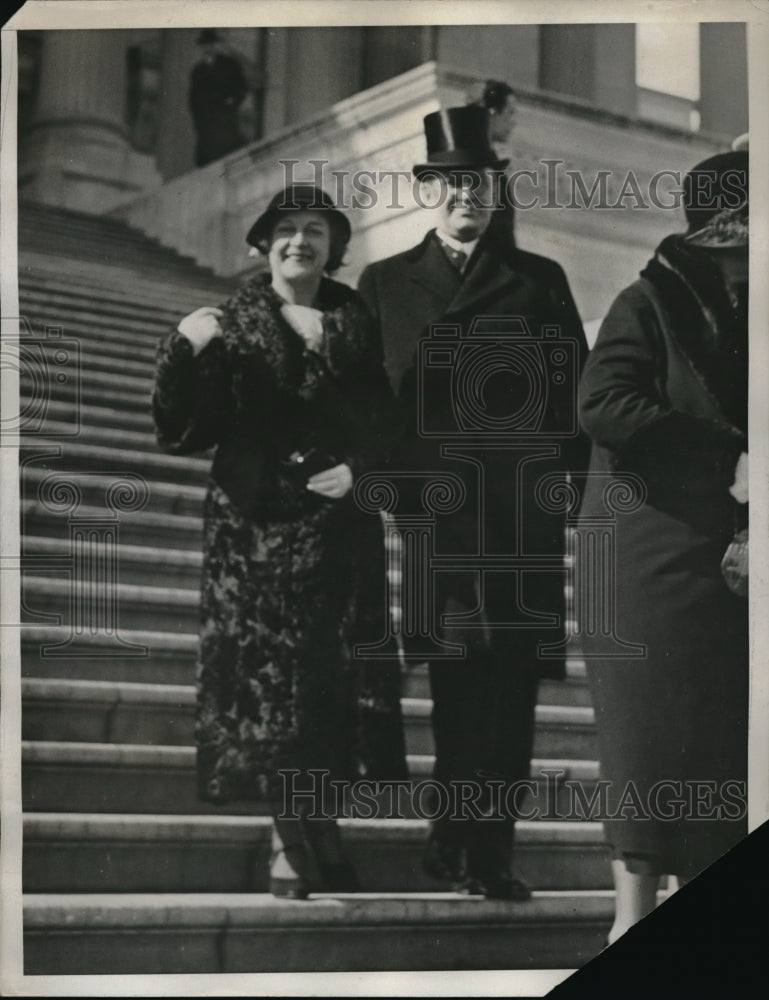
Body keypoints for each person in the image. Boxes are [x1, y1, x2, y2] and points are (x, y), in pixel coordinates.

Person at [358, 105, 590, 900]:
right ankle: (450, 831)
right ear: (430, 191)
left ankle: (489, 849)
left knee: (513, 681)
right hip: (437, 513)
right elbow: (369, 402)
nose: (467, 196)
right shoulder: (384, 282)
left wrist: (569, 493)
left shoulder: (539, 281)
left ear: (495, 193)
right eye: (453, 182)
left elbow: (574, 399)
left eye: (480, 182)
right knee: (455, 674)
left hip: (521, 511)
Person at [152, 184, 408, 899]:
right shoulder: (230, 322)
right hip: (258, 530)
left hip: (341, 527)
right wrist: (182, 349)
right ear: (264, 244)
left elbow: (388, 423)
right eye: (287, 230)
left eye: (316, 231)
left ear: (334, 247)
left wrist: (357, 471)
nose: (301, 240)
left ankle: (320, 825)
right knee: (276, 689)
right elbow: (184, 428)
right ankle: (287, 840)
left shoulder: (356, 319)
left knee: (333, 683)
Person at [576, 150, 749, 943]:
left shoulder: (751, 311)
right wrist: (726, 451)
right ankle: (628, 926)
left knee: (716, 755)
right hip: (642, 557)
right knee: (647, 746)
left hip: (726, 564)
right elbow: (605, 406)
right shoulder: (645, 301)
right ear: (726, 229)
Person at [189, 29, 249, 167]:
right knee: (207, 157)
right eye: (204, 45)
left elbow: (241, 87)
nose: (207, 48)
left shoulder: (230, 65)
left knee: (225, 154)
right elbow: (193, 98)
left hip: (224, 118)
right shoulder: (197, 71)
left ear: (216, 46)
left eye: (210, 44)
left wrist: (231, 102)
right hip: (206, 122)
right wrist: (198, 117)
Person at [472, 79, 517, 246]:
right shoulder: (480, 169)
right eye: (510, 112)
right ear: (492, 113)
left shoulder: (493, 165)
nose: (513, 121)